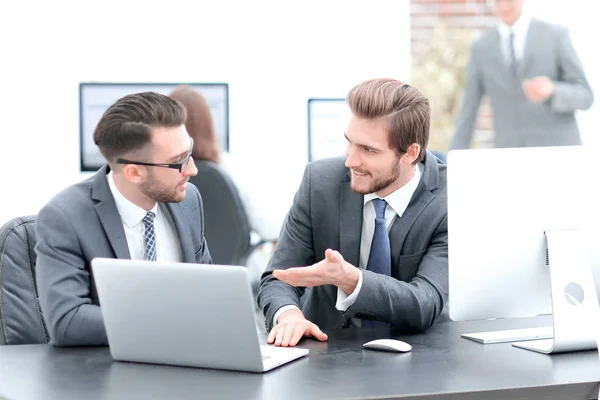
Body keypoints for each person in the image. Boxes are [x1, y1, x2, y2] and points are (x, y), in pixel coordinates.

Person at [257, 78, 448, 347]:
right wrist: (288, 315)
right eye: (350, 142)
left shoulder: (448, 200)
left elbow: (425, 302)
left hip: (419, 357)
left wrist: (350, 280)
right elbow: (278, 278)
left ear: (410, 153)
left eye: (368, 150)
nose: (351, 160)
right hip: (326, 352)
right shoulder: (319, 182)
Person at [35, 92, 212, 346]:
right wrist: (168, 321)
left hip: (187, 364)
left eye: (189, 152)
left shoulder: (188, 199)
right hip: (107, 375)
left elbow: (206, 290)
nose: (192, 169)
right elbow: (68, 321)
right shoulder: (64, 217)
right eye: (179, 162)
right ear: (134, 172)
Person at [450, 0, 593, 150]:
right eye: (498, 1)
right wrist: (450, 165)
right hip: (511, 154)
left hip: (558, 151)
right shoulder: (481, 48)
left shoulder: (555, 35)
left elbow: (586, 95)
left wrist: (553, 91)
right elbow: (468, 109)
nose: (504, 6)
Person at [169, 85, 282, 242]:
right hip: (230, 265)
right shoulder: (229, 169)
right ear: (208, 123)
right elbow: (269, 228)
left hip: (175, 264)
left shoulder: (161, 173)